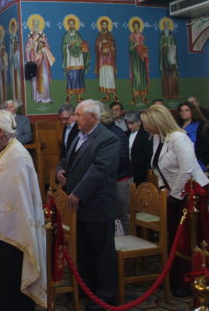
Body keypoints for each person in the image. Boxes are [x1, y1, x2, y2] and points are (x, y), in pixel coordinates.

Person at [0, 109, 46, 310]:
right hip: (3, 229)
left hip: (14, 232)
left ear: (0, 131)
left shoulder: (16, 155)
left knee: (11, 277)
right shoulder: (5, 151)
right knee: (2, 277)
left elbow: (18, 199)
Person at [56, 99, 120, 309]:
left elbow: (100, 170)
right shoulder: (80, 135)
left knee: (102, 253)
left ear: (92, 117)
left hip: (97, 205)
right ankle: (87, 288)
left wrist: (78, 193)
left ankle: (105, 296)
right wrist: (60, 170)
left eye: (78, 114)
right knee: (84, 250)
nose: (74, 118)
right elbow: (67, 159)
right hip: (78, 206)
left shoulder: (107, 139)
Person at [140, 105, 209, 297]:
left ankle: (189, 281)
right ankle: (174, 277)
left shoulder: (179, 138)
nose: (145, 128)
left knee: (188, 239)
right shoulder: (157, 137)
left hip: (192, 193)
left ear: (159, 122)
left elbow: (186, 170)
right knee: (174, 236)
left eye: (148, 124)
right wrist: (163, 187)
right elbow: (156, 166)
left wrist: (174, 195)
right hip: (173, 193)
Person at [101, 107, 133, 234]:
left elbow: (122, 158)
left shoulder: (116, 133)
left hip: (121, 179)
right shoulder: (105, 132)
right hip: (111, 179)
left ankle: (127, 242)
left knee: (122, 215)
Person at [25, 15, 54, 103]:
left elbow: (47, 46)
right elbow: (27, 48)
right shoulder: (31, 36)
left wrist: (43, 48)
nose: (35, 25)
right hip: (34, 59)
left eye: (37, 23)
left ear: (39, 24)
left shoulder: (42, 35)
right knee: (35, 78)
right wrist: (31, 49)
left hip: (42, 60)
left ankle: (46, 98)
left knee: (44, 77)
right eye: (34, 24)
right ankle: (38, 98)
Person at [62, 16, 89, 103]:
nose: (71, 25)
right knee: (71, 76)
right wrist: (70, 45)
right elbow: (64, 47)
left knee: (79, 76)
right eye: (70, 24)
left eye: (72, 24)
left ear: (74, 25)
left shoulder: (78, 35)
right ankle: (69, 95)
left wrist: (82, 46)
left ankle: (79, 96)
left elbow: (81, 44)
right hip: (70, 59)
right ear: (68, 25)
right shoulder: (66, 35)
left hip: (78, 58)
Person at [176, 101, 209, 170]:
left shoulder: (201, 125)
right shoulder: (177, 125)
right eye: (181, 110)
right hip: (178, 161)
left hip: (198, 161)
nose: (183, 112)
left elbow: (205, 146)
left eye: (187, 110)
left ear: (192, 111)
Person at [125, 111, 153, 185]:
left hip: (141, 171)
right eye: (128, 123)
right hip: (127, 170)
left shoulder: (146, 135)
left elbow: (147, 154)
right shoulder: (125, 134)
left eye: (132, 123)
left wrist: (131, 163)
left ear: (139, 122)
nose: (129, 126)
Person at [95, 17, 118, 102]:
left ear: (107, 26)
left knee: (110, 75)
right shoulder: (99, 35)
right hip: (102, 59)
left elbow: (113, 47)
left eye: (105, 25)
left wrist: (108, 46)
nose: (104, 26)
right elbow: (96, 46)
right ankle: (107, 95)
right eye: (102, 25)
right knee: (103, 76)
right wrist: (100, 43)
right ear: (101, 26)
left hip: (109, 58)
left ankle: (114, 94)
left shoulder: (110, 35)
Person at [128, 19, 150, 105]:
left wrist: (145, 49)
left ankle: (143, 97)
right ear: (133, 27)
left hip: (142, 59)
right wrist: (135, 45)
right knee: (136, 76)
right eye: (134, 26)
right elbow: (130, 49)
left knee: (143, 77)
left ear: (139, 26)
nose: (135, 27)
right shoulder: (131, 36)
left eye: (137, 25)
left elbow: (145, 46)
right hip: (135, 59)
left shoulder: (142, 36)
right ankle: (134, 96)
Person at [159, 19, 179, 99]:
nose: (166, 25)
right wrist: (163, 46)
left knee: (173, 76)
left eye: (168, 24)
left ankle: (174, 93)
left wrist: (171, 47)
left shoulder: (171, 35)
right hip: (165, 59)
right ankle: (167, 93)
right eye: (165, 24)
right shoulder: (162, 35)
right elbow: (160, 47)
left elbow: (174, 46)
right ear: (164, 25)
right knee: (166, 77)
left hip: (171, 58)